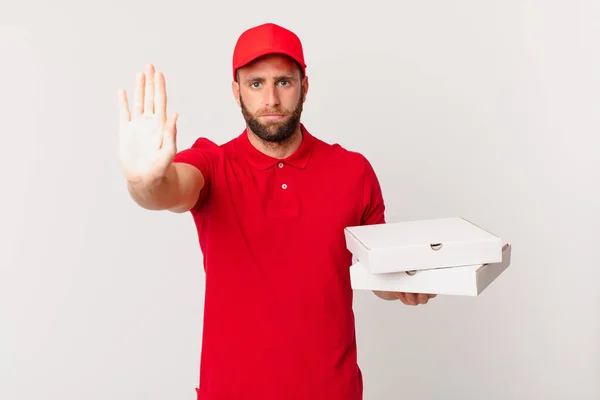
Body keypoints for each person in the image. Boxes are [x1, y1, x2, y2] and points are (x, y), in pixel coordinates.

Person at [118, 22, 436, 400]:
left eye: (283, 82)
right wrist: (144, 180)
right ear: (236, 90)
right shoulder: (212, 163)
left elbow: (376, 274)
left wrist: (406, 284)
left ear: (305, 86)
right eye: (256, 84)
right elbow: (169, 190)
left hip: (331, 391)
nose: (270, 99)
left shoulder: (353, 171)